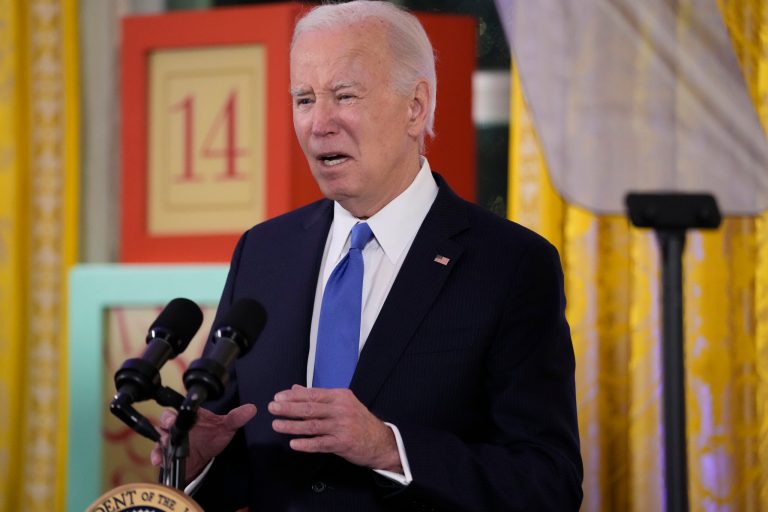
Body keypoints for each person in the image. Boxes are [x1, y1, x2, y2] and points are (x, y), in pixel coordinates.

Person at [151, 1, 583, 510]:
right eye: (304, 99)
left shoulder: (511, 265)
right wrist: (197, 463)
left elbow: (548, 483)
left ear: (415, 106)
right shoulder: (264, 253)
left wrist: (389, 448)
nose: (319, 123)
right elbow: (245, 456)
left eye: (345, 95)